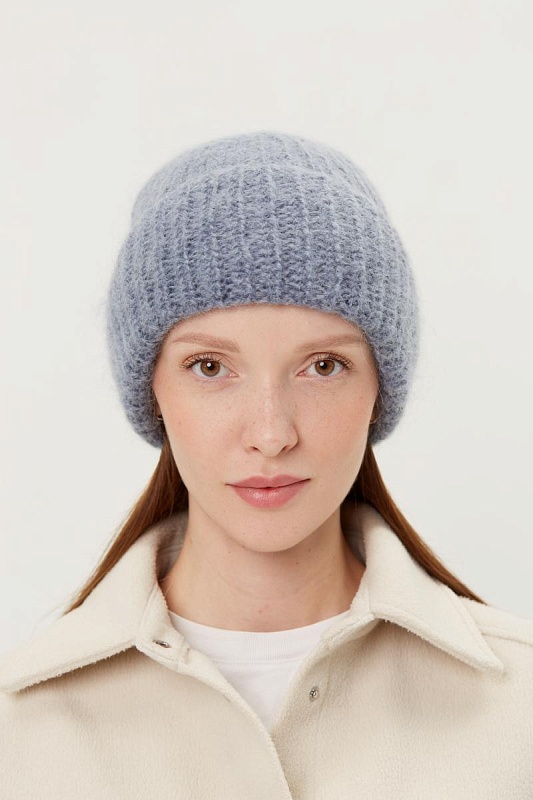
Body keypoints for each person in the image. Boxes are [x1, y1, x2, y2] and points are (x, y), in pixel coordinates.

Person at [0, 131, 531, 798]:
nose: (272, 434)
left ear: (378, 389)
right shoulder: (19, 729)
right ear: (152, 391)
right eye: (210, 367)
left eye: (324, 366)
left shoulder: (520, 709)